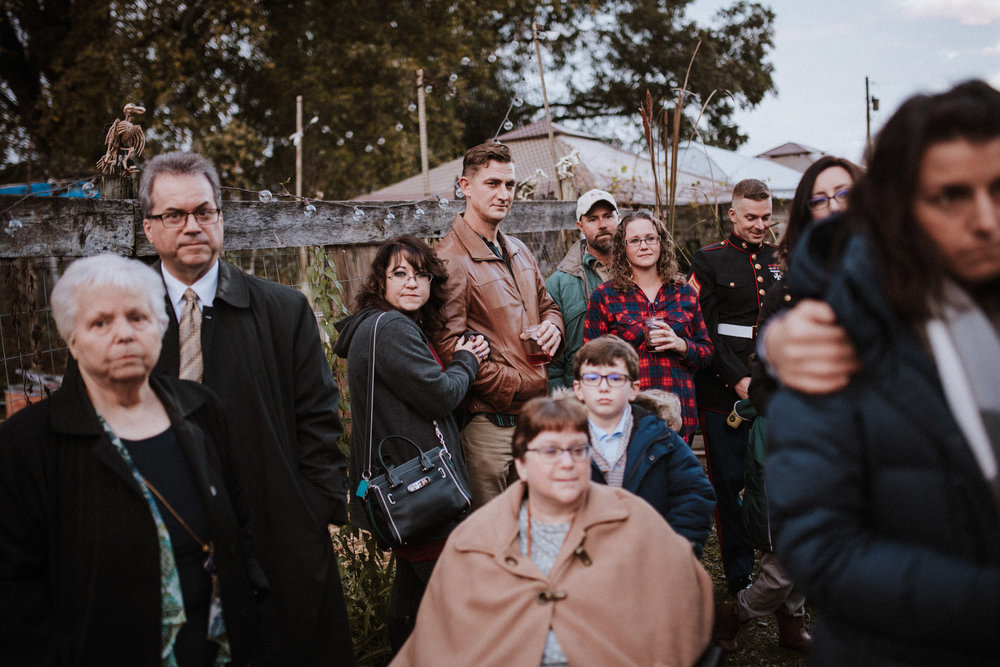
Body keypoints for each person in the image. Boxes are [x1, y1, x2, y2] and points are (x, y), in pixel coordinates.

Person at [767, 80, 1000, 665]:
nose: (985, 220)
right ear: (899, 208)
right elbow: (821, 547)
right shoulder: (830, 336)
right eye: (951, 195)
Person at [140, 151, 354, 665]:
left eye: (204, 211)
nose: (192, 226)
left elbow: (320, 422)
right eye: (174, 215)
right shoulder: (125, 314)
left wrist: (309, 514)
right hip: (164, 536)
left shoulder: (283, 310)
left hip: (277, 535)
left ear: (221, 218)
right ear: (150, 228)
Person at [0, 254, 264, 665]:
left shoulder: (200, 409)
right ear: (72, 339)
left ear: (159, 327)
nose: (123, 334)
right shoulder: (29, 443)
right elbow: (15, 590)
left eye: (137, 317)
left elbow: (240, 521)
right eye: (100, 323)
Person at [391, 396, 713, 666]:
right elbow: (437, 643)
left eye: (578, 450)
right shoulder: (474, 541)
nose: (567, 463)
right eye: (549, 451)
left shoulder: (635, 519)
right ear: (521, 464)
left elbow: (684, 606)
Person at [715, 156, 861, 654]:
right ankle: (736, 612)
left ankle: (789, 623)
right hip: (796, 439)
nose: (833, 206)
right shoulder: (787, 289)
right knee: (788, 551)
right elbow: (759, 376)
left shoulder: (887, 279)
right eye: (820, 198)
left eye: (844, 194)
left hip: (862, 446)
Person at [333, 235, 489, 652]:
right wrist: (468, 360)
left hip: (398, 487)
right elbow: (439, 395)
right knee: (460, 610)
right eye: (399, 273)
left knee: (412, 606)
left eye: (420, 274)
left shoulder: (369, 327)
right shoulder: (392, 328)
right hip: (420, 488)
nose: (411, 283)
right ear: (380, 282)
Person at [432, 141, 564, 508]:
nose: (504, 194)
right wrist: (518, 383)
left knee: (537, 526)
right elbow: (448, 348)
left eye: (510, 185)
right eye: (493, 183)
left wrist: (554, 326)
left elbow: (548, 306)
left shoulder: (519, 249)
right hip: (488, 428)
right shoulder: (449, 260)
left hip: (532, 418)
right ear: (465, 186)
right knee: (492, 538)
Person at [688, 178, 780, 594]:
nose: (760, 225)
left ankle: (778, 565)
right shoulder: (708, 261)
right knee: (729, 484)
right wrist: (738, 379)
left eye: (766, 217)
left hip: (776, 393)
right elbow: (703, 328)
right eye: (751, 218)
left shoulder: (781, 259)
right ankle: (740, 575)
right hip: (722, 393)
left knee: (774, 478)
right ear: (732, 214)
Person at [571, 335, 715, 556]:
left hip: (648, 560)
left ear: (633, 389)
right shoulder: (561, 443)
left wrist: (674, 552)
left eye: (616, 378)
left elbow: (695, 494)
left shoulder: (659, 438)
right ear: (578, 389)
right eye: (592, 378)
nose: (603, 387)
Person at [583, 210, 712, 442]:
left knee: (674, 477)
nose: (644, 246)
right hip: (627, 415)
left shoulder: (684, 292)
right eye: (634, 240)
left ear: (661, 242)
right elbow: (590, 364)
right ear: (623, 248)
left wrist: (681, 345)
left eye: (650, 238)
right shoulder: (605, 296)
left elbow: (706, 353)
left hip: (678, 414)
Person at [545, 188, 620, 390]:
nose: (603, 225)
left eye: (608, 216)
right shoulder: (559, 284)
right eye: (593, 219)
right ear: (580, 225)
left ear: (619, 218)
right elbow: (553, 359)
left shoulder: (640, 271)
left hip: (634, 387)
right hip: (583, 391)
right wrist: (563, 402)